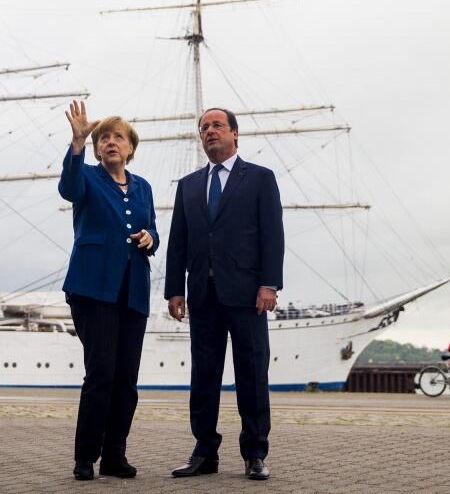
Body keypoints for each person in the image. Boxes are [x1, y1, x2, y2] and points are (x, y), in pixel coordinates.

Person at [165, 107, 284, 481]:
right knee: (203, 376)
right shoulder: (188, 185)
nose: (209, 131)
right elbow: (178, 241)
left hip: (248, 295)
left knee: (252, 373)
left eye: (217, 125)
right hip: (202, 294)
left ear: (235, 133)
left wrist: (269, 283)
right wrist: (174, 290)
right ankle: (204, 453)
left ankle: (255, 453)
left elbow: (272, 234)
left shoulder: (260, 178)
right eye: (204, 128)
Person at [58, 100, 159, 480]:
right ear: (97, 147)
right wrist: (77, 143)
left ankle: (115, 455)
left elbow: (152, 228)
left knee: (126, 379)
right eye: (104, 138)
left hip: (133, 290)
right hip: (92, 288)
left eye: (118, 137)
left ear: (131, 147)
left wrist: (151, 237)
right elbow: (68, 189)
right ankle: (85, 457)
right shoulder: (85, 176)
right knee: (100, 372)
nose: (110, 142)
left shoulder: (144, 187)